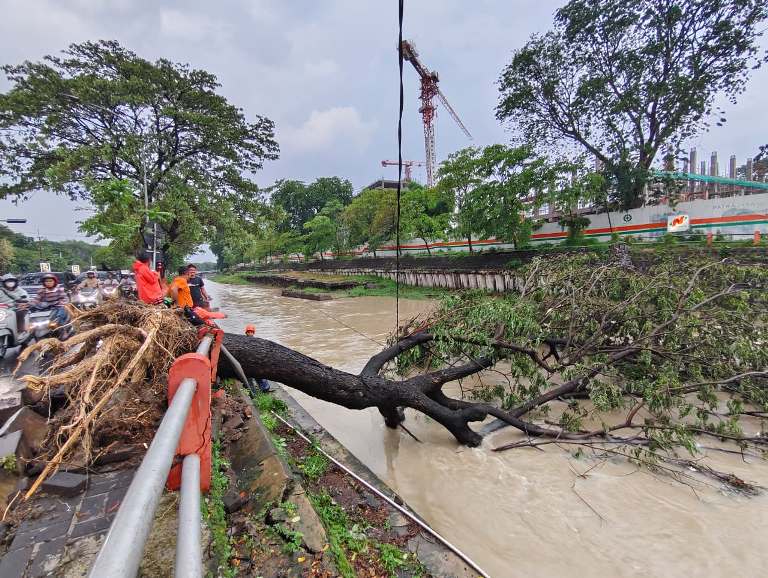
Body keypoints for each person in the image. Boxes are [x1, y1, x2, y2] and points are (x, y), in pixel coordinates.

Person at [244, 324, 271, 392]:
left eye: (251, 332)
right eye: (248, 332)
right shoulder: (243, 341)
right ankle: (253, 392)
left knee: (259, 376)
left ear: (253, 333)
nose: (250, 333)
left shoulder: (256, 341)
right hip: (247, 363)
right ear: (246, 333)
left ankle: (265, 388)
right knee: (249, 379)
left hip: (255, 362)